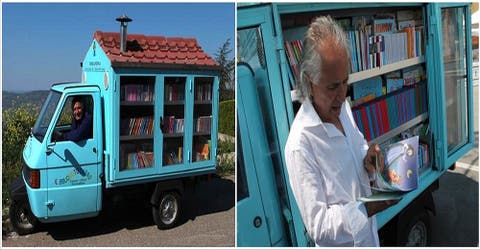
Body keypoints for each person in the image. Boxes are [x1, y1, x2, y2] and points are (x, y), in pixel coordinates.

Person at [284, 16, 398, 247]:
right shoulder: (300, 145)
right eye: (332, 86)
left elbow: (358, 149)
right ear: (309, 81)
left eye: (345, 82)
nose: (342, 94)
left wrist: (370, 159)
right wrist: (370, 206)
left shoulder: (343, 109)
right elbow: (319, 228)